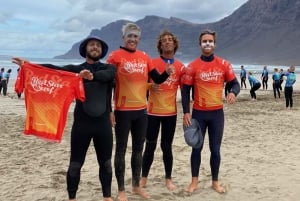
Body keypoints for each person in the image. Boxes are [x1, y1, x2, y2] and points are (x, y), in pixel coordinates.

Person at [12, 35, 116, 201]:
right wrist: (29, 65)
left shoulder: (110, 69)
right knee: (75, 164)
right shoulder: (76, 70)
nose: (95, 47)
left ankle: (107, 197)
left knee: (106, 164)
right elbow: (53, 70)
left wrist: (90, 76)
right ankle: (72, 198)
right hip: (82, 125)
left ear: (102, 51)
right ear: (85, 50)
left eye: (98, 45)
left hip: (103, 125)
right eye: (92, 45)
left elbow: (107, 77)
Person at [106, 23, 174, 201]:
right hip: (122, 111)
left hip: (141, 111)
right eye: (129, 36)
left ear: (139, 38)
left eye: (135, 36)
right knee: (120, 150)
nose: (132, 39)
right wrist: (109, 110)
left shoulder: (144, 57)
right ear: (123, 37)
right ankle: (121, 190)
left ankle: (135, 186)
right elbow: (107, 85)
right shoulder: (115, 56)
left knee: (138, 149)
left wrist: (166, 73)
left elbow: (157, 79)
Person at [180, 29, 240, 193]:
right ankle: (194, 182)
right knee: (196, 148)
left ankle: (215, 182)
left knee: (215, 149)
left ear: (214, 44)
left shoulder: (223, 64)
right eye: (204, 41)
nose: (207, 43)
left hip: (216, 115)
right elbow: (185, 90)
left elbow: (235, 83)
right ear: (200, 45)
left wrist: (233, 93)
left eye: (210, 41)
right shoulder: (192, 67)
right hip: (198, 114)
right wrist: (186, 112)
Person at [140, 30, 184, 191]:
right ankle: (143, 178)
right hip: (152, 112)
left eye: (170, 40)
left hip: (170, 113)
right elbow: (140, 85)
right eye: (164, 40)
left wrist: (188, 111)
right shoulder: (151, 63)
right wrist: (151, 85)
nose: (167, 42)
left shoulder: (179, 66)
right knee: (149, 146)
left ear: (174, 44)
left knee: (167, 146)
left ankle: (168, 179)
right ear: (160, 45)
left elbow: (186, 90)